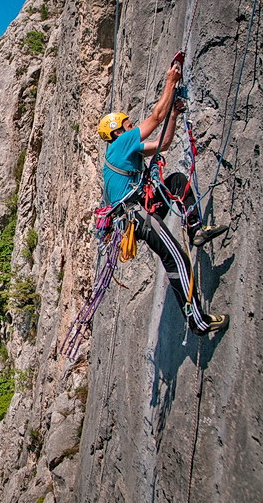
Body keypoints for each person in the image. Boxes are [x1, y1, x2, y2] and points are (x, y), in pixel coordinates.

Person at [98, 62, 229, 335]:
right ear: (118, 132)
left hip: (139, 210)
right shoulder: (120, 145)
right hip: (137, 216)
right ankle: (197, 321)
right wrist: (170, 81)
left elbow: (163, 144)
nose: (133, 127)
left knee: (178, 182)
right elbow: (156, 116)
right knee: (177, 260)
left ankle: (196, 230)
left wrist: (174, 116)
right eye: (128, 125)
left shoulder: (125, 150)